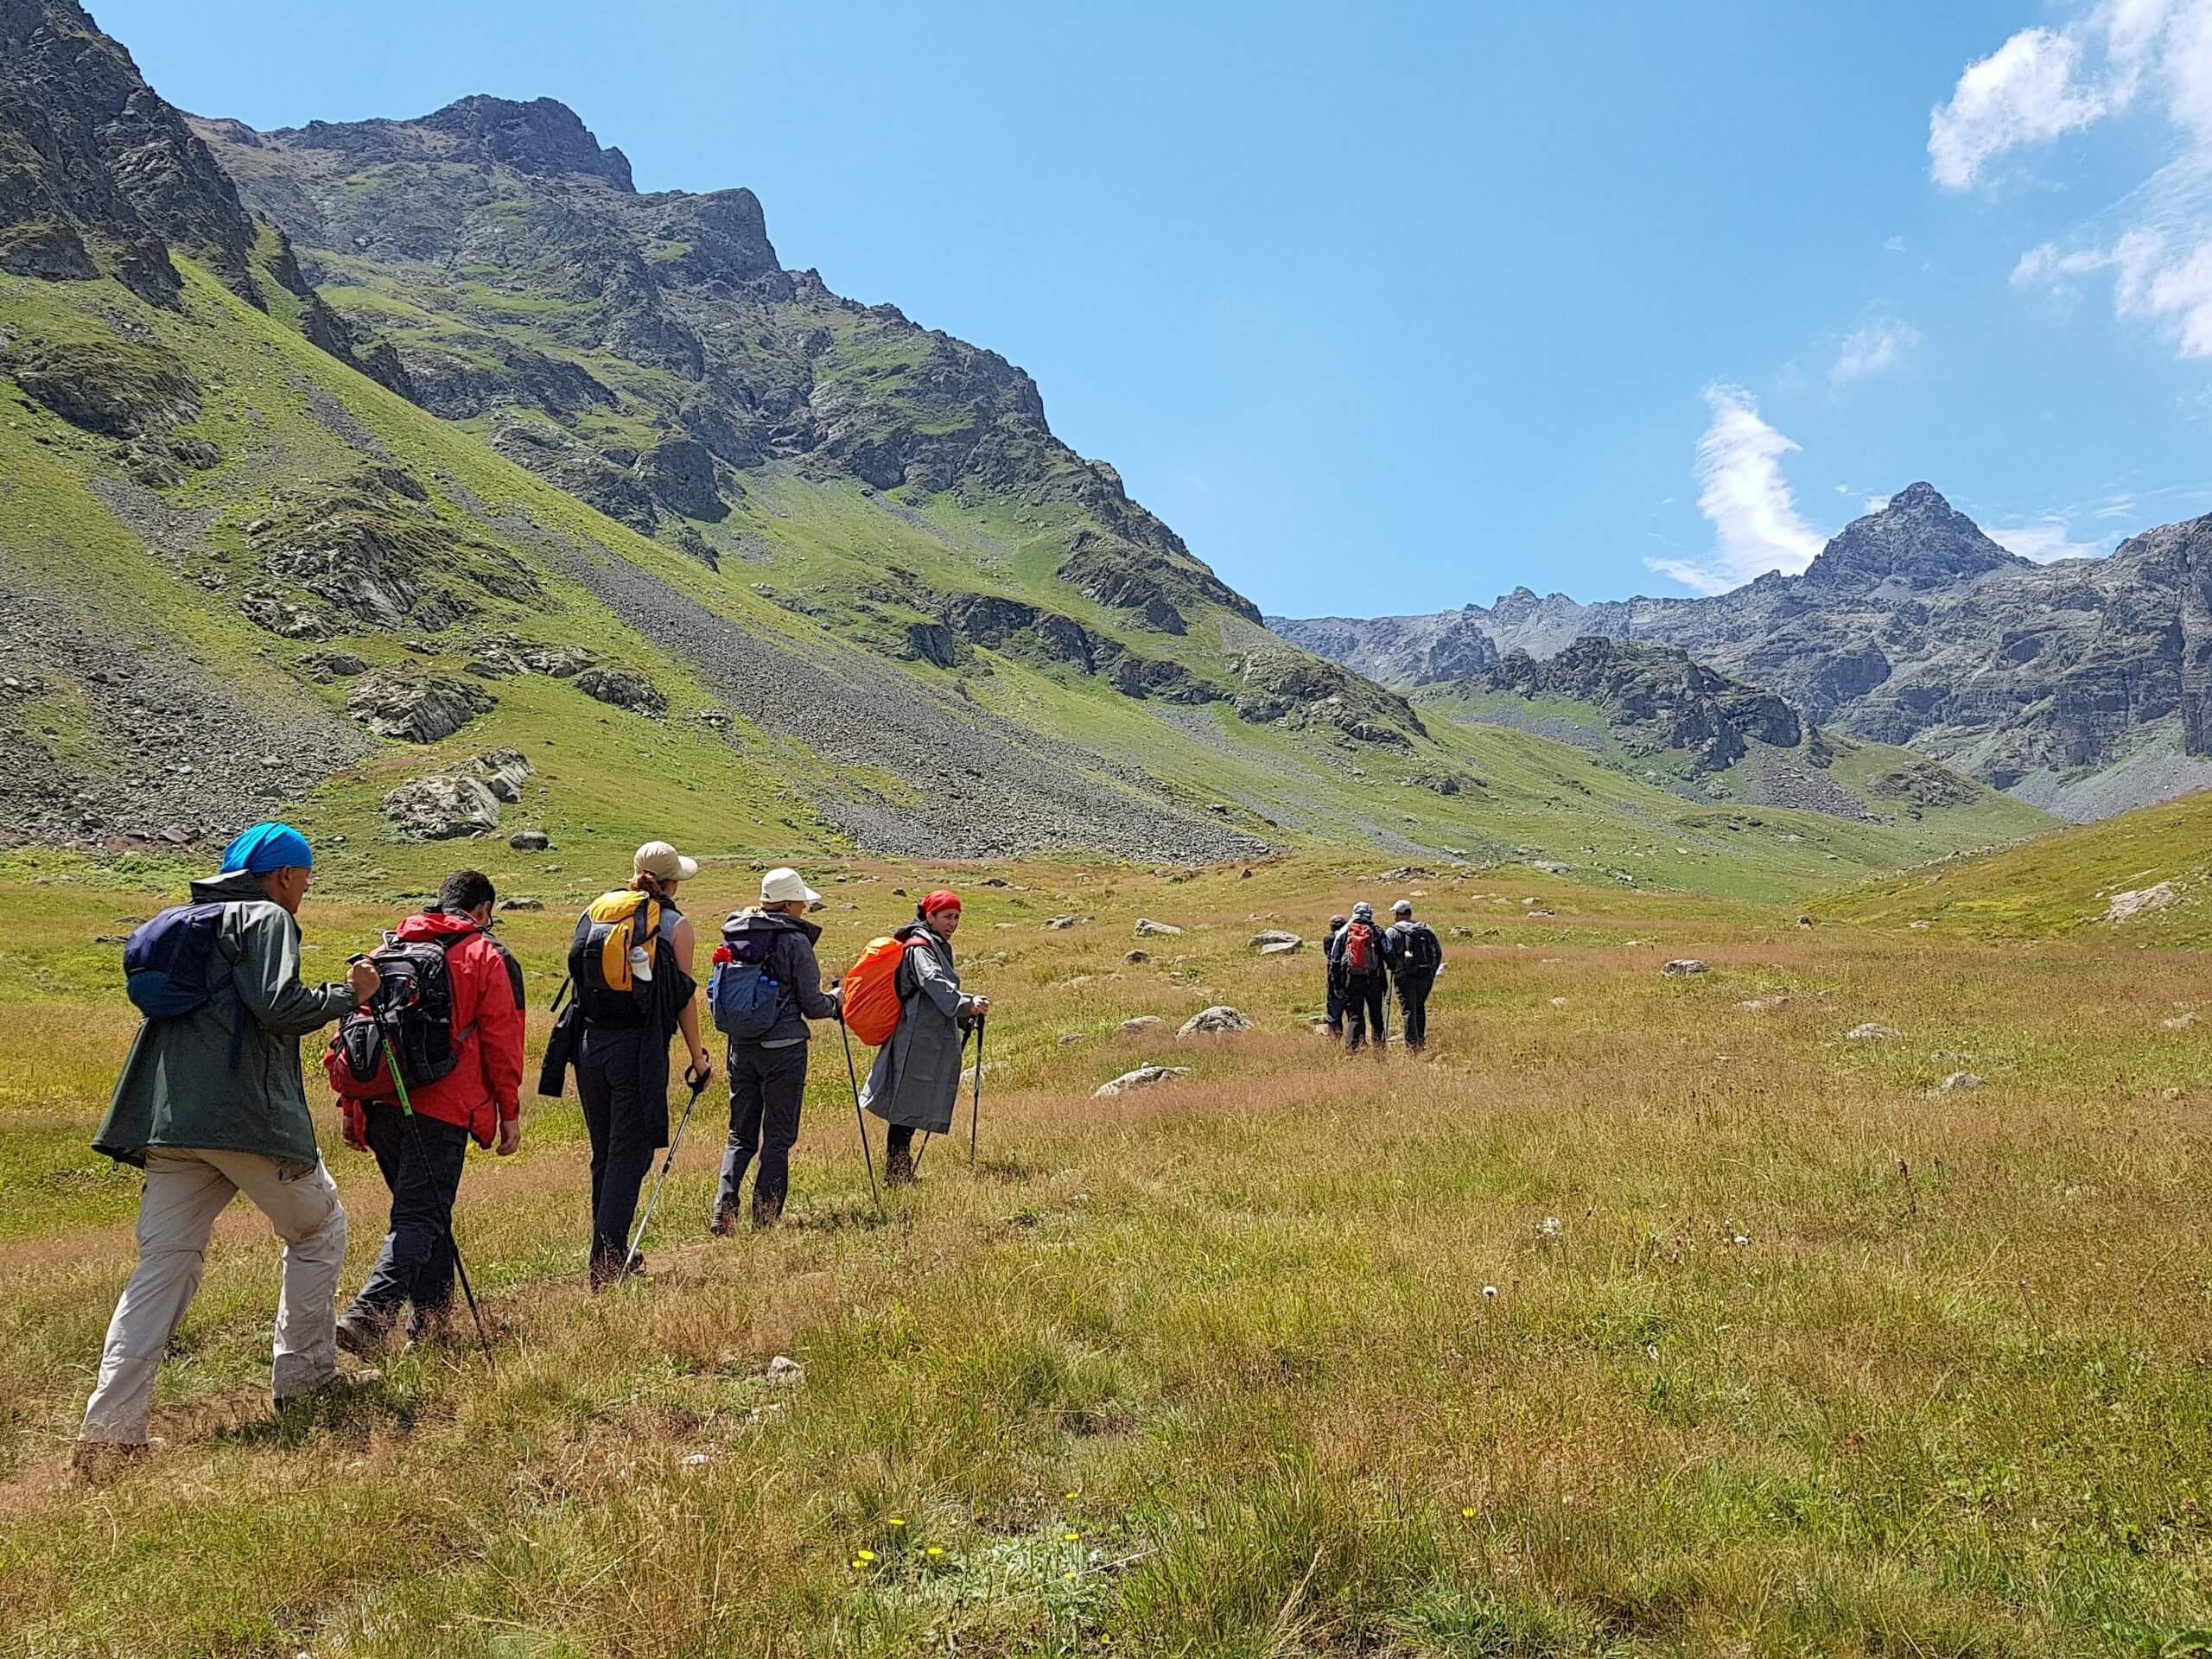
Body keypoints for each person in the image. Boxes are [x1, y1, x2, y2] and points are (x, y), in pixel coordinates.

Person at [77, 822, 381, 1475]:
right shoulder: (266, 918)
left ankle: (109, 1430)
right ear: (281, 876)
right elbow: (277, 1006)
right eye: (303, 877)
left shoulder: (196, 920)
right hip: (244, 1121)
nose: (305, 889)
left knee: (162, 1270)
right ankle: (304, 1379)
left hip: (167, 1124)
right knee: (319, 1227)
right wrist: (347, 996)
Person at [334, 870, 525, 1355]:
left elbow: (358, 1036)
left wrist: (351, 1107)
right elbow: (504, 1039)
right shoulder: (485, 954)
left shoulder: (387, 951)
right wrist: (509, 1111)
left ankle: (434, 1326)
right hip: (443, 1106)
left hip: (382, 1104)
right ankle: (369, 1317)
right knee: (420, 1217)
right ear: (482, 910)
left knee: (426, 1215)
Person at [574, 841, 710, 1287]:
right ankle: (608, 1263)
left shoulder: (597, 912)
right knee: (631, 1156)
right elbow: (682, 997)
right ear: (673, 883)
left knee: (606, 1154)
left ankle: (609, 1251)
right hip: (638, 1049)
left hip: (590, 1045)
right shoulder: (675, 925)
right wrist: (697, 1055)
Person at [710, 866, 842, 1232]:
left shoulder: (738, 933)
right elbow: (813, 1005)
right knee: (778, 1137)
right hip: (784, 1049)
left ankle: (724, 1208)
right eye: (801, 901)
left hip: (741, 1046)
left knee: (741, 1134)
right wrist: (836, 1003)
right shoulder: (795, 941)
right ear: (788, 902)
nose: (804, 908)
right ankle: (765, 1218)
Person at [860, 889, 988, 1185]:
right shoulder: (920, 947)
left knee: (911, 1102)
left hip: (926, 1035)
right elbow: (931, 981)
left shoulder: (934, 944)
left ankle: (899, 1172)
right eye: (946, 917)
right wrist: (964, 1005)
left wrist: (962, 1012)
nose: (953, 923)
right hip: (916, 1037)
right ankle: (897, 1174)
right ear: (929, 916)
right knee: (907, 1104)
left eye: (956, 917)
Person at [1326, 899, 1398, 1057]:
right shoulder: (1378, 931)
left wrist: (1337, 984)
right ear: (1370, 913)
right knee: (1376, 1015)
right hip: (1375, 979)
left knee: (1355, 1015)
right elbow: (1389, 954)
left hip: (1352, 980)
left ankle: (1351, 1051)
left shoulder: (1344, 932)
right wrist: (1393, 968)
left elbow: (1335, 960)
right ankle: (1380, 1050)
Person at [1385, 897, 1444, 1055]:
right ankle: (1420, 1041)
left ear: (1398, 914)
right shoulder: (1425, 928)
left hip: (1404, 976)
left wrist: (1394, 969)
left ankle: (1412, 1047)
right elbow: (1437, 952)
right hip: (1425, 975)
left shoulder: (1392, 931)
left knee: (1408, 1010)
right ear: (1410, 913)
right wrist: (1432, 971)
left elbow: (1386, 953)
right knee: (1419, 1007)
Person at [1322, 912, 1349, 1035]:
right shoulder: (1350, 938)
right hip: (1351, 979)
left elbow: (1327, 955)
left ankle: (1334, 1039)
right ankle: (1355, 1039)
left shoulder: (1328, 939)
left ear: (1332, 927)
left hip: (1334, 980)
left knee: (1334, 1013)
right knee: (1353, 1014)